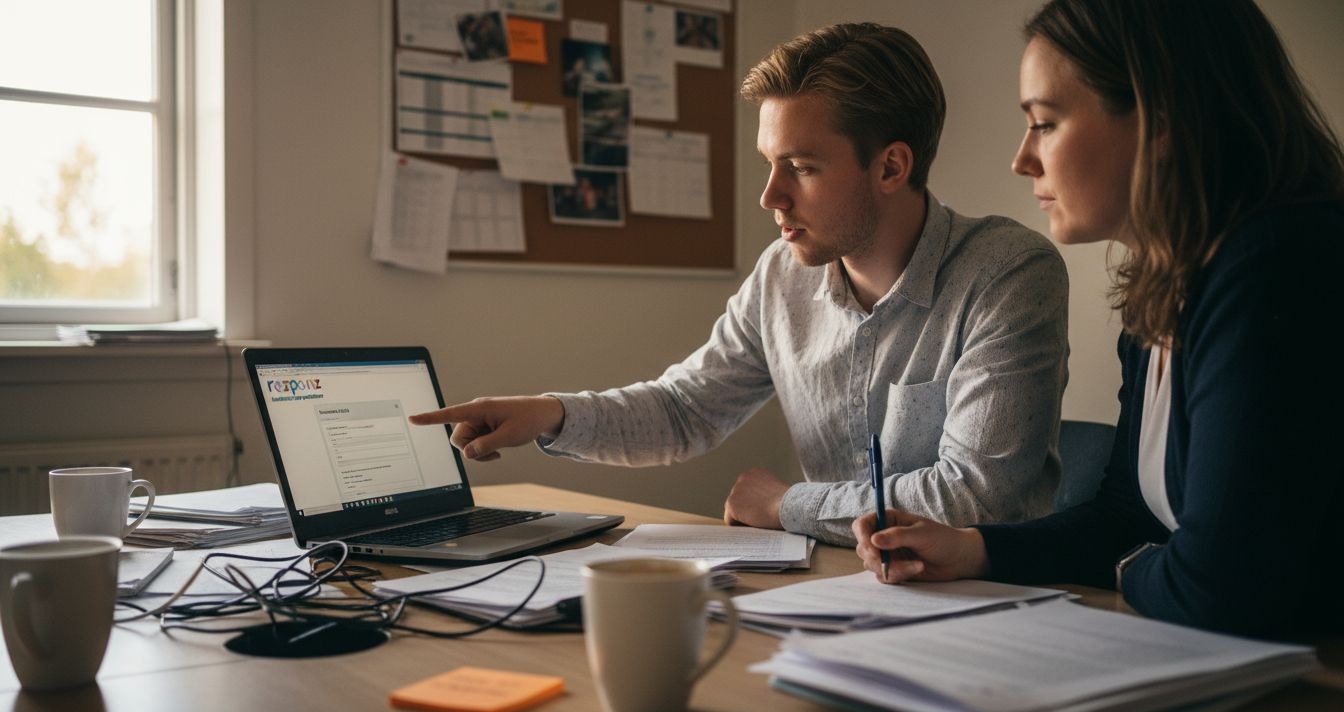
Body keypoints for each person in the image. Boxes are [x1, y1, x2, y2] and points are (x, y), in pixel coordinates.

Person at [411, 23, 1070, 545]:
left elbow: (978, 497)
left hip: (984, 602)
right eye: (768, 164)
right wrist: (550, 415)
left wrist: (788, 505)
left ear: (892, 166)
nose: (770, 197)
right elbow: (685, 411)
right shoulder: (782, 276)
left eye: (801, 167)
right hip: (835, 591)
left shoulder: (1007, 274)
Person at [854, 0, 1344, 637]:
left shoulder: (1279, 267)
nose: (1022, 159)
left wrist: (1130, 567)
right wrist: (975, 548)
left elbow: (1222, 591)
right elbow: (1127, 517)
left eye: (1046, 123)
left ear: (1160, 118)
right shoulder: (1166, 288)